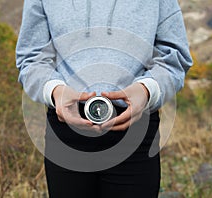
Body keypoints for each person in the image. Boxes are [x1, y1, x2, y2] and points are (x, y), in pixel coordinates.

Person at [16, 0, 192, 197]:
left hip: (136, 129)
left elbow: (175, 57)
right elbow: (31, 58)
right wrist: (55, 90)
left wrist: (146, 90)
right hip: (66, 130)